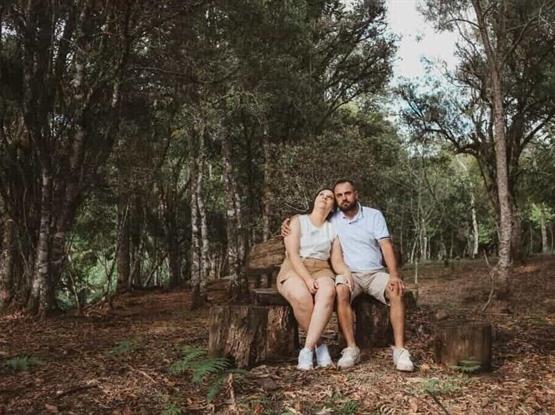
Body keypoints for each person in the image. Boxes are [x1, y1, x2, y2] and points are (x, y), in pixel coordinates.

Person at [282, 180, 414, 371]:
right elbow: (307, 226)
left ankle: (400, 350)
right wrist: (286, 223)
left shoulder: (373, 215)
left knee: (396, 290)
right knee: (341, 291)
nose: (344, 198)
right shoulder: (332, 220)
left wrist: (393, 275)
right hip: (350, 275)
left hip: (375, 273)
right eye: (339, 195)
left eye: (347, 193)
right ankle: (351, 348)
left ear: (355, 194)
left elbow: (385, 246)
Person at [278, 188, 353, 370]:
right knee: (302, 296)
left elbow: (336, 261)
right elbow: (293, 254)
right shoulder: (297, 221)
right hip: (295, 267)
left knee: (328, 292)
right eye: (321, 195)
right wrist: (307, 279)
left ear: (332, 207)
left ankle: (306, 350)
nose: (324, 198)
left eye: (329, 197)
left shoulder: (332, 229)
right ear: (315, 199)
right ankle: (319, 345)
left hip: (322, 268)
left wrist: (346, 273)